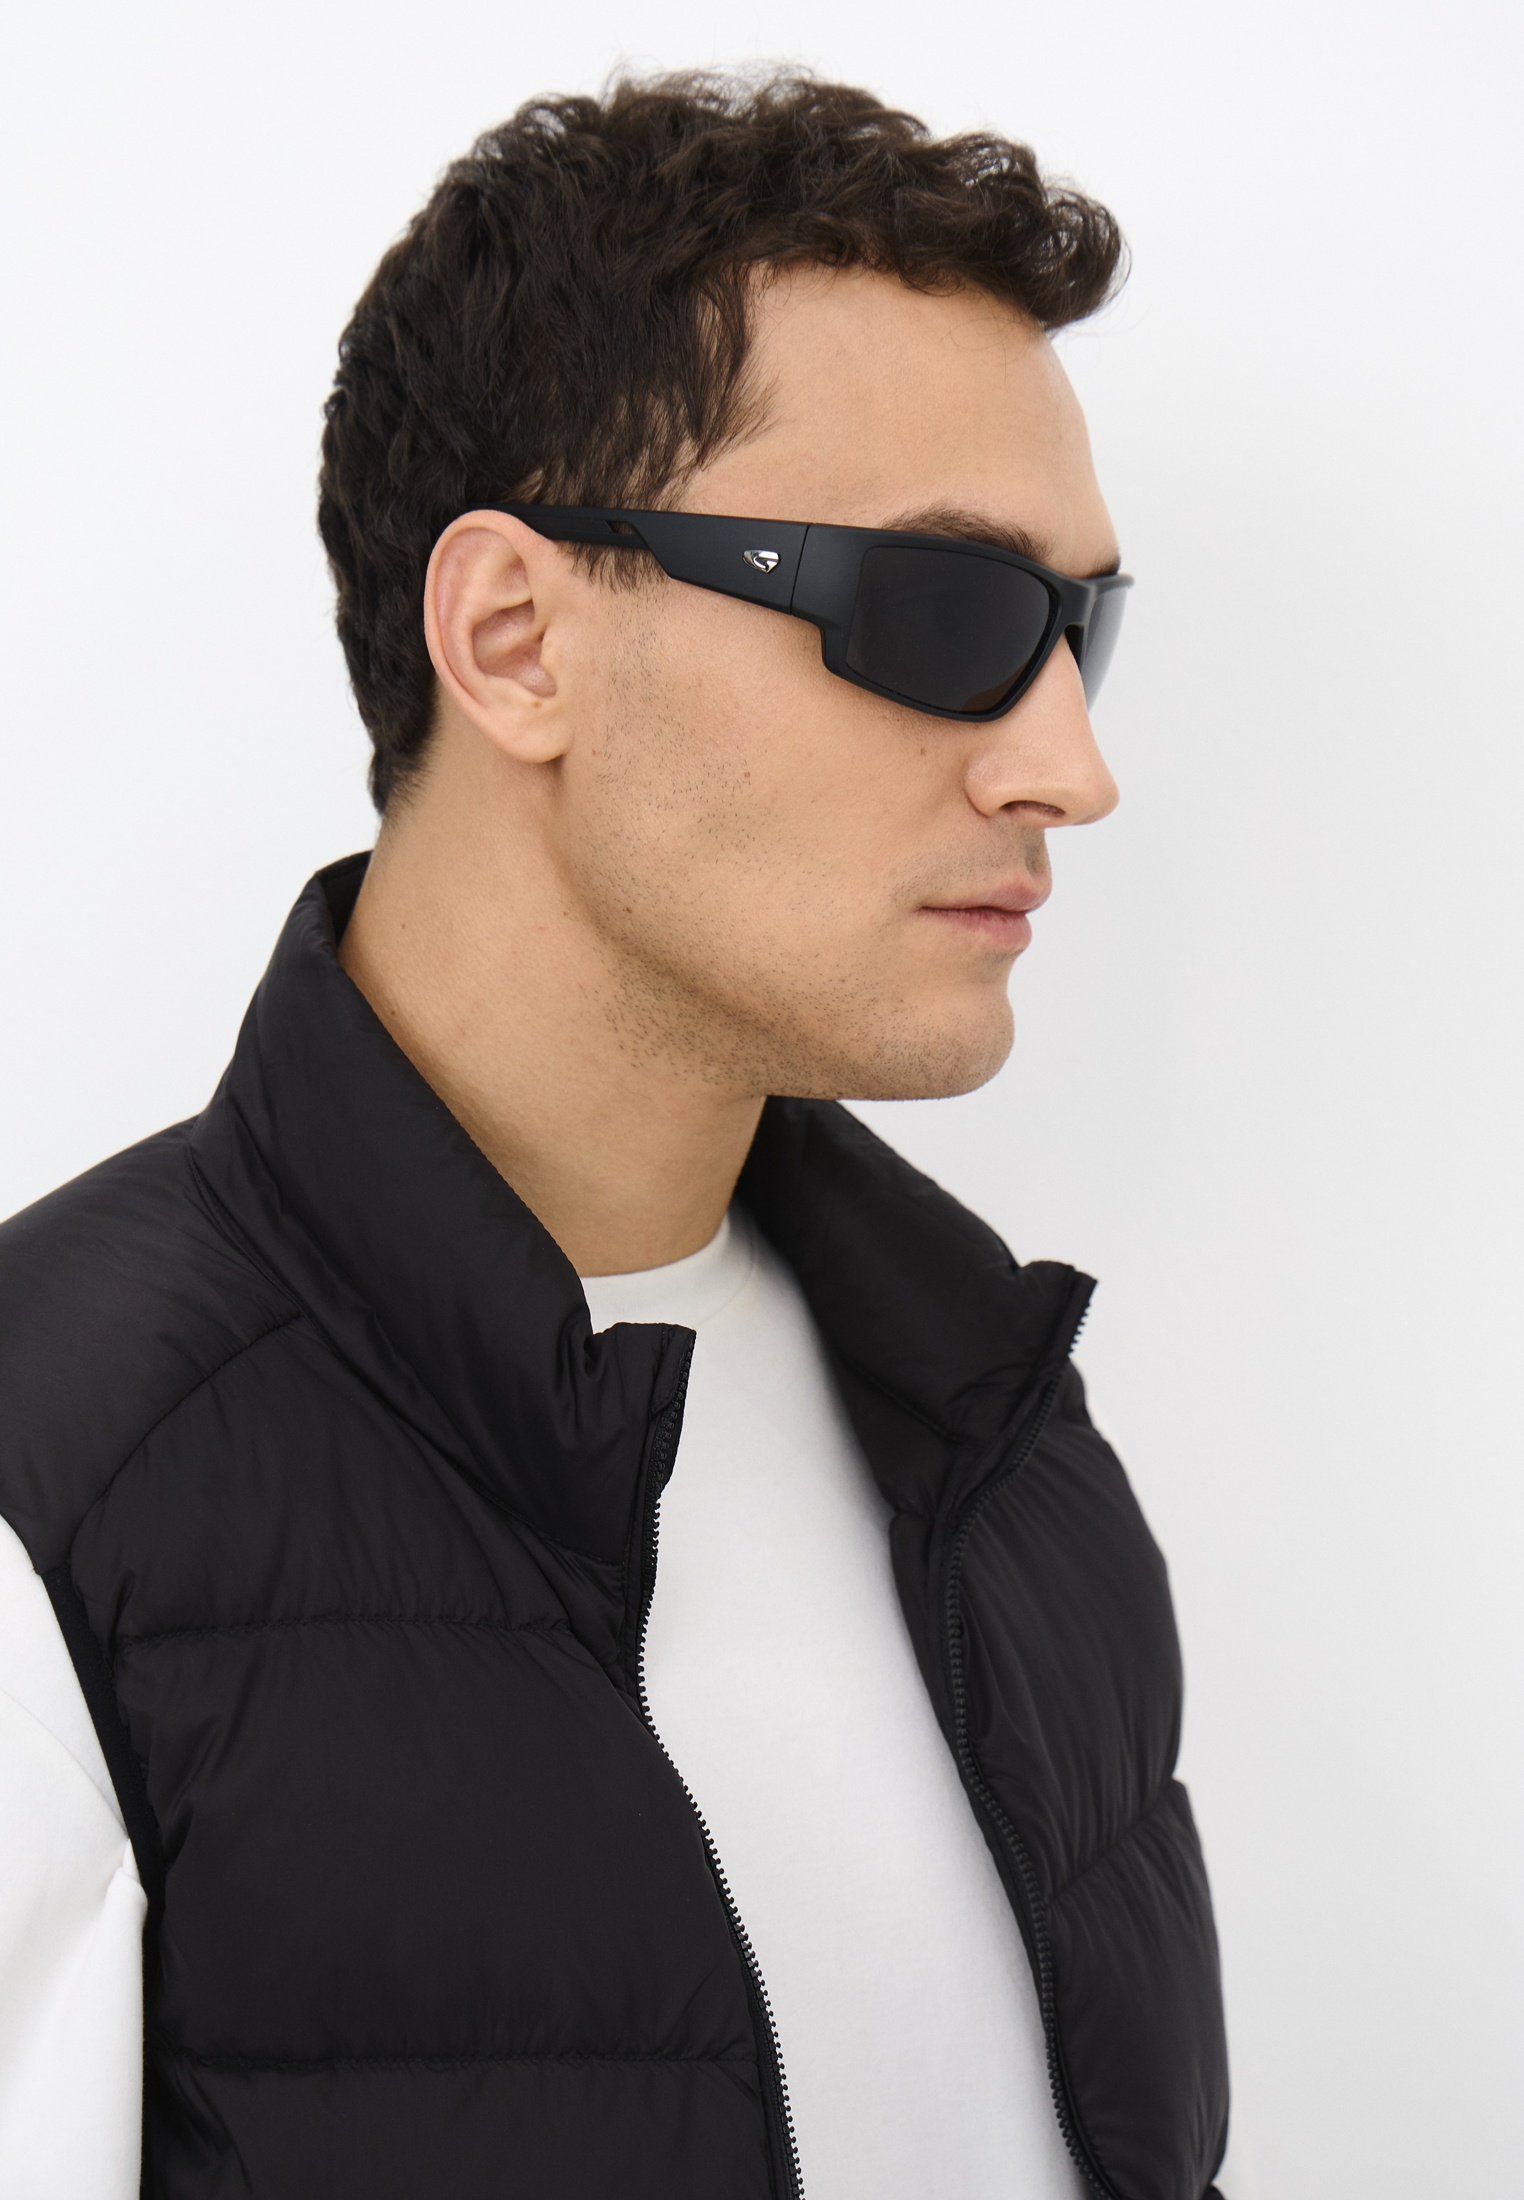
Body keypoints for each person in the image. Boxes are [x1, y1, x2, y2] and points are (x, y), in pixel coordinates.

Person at [0, 71, 1235, 2200]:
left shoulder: (997, 1424)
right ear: (514, 639)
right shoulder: (51, 1488)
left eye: (1076, 629)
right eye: (943, 613)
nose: (1070, 765)